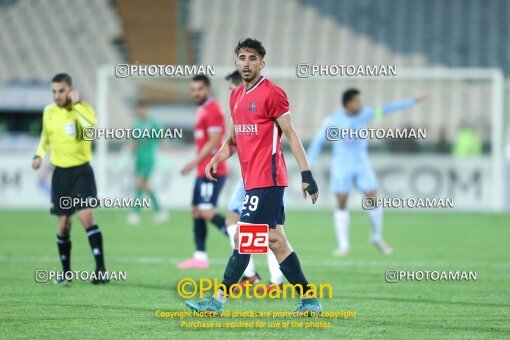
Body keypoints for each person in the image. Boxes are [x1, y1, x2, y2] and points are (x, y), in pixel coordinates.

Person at [185, 38, 321, 313]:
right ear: (236, 62)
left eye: (252, 58)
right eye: (242, 58)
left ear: (262, 63)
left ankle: (216, 302)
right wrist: (215, 159)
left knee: (242, 240)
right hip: (253, 182)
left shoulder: (273, 94)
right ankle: (309, 299)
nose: (247, 63)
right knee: (275, 241)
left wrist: (307, 174)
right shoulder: (235, 96)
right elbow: (233, 140)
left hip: (269, 180)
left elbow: (292, 135)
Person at [307, 88, 426, 256]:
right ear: (348, 103)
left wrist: (412, 101)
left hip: (361, 164)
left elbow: (387, 109)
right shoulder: (333, 120)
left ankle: (376, 237)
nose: (361, 104)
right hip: (342, 165)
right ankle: (343, 245)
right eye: (358, 101)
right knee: (341, 201)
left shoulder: (366, 114)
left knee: (372, 198)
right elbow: (318, 142)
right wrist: (307, 165)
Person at [32, 73, 108, 284]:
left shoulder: (82, 109)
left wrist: (78, 104)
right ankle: (66, 273)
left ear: (70, 90)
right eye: (54, 91)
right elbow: (45, 137)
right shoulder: (49, 112)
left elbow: (91, 125)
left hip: (81, 172)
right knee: (64, 224)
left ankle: (100, 270)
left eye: (61, 91)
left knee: (86, 218)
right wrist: (39, 155)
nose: (57, 95)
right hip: (61, 175)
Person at [224, 70, 283, 292]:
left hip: (263, 178)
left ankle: (270, 280)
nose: (230, 92)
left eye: (231, 88)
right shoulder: (240, 106)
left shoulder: (255, 104)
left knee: (266, 232)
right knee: (237, 222)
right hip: (250, 177)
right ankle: (254, 275)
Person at [178, 75, 229, 269]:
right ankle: (200, 257)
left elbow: (215, 140)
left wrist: (194, 162)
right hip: (203, 169)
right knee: (197, 212)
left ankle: (239, 238)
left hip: (212, 169)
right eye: (193, 89)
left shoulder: (213, 109)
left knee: (207, 212)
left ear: (207, 89)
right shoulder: (201, 110)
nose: (196, 93)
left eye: (199, 89)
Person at [127, 101, 168, 225]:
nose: (141, 111)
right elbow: (134, 141)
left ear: (146, 109)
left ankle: (136, 212)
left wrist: (164, 148)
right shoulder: (137, 124)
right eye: (140, 109)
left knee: (141, 183)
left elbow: (162, 137)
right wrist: (131, 154)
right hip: (139, 158)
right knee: (142, 184)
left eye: (143, 109)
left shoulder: (153, 123)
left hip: (149, 157)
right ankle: (159, 211)